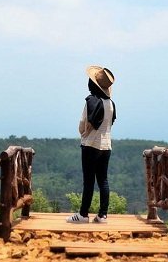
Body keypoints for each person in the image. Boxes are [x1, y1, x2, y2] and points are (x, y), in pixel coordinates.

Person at [66, 65, 116, 224]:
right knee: (103, 180)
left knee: (88, 181)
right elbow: (110, 123)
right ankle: (102, 215)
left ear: (93, 84)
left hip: (90, 146)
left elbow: (82, 125)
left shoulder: (91, 102)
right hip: (106, 146)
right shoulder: (111, 104)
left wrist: (84, 135)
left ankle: (83, 214)